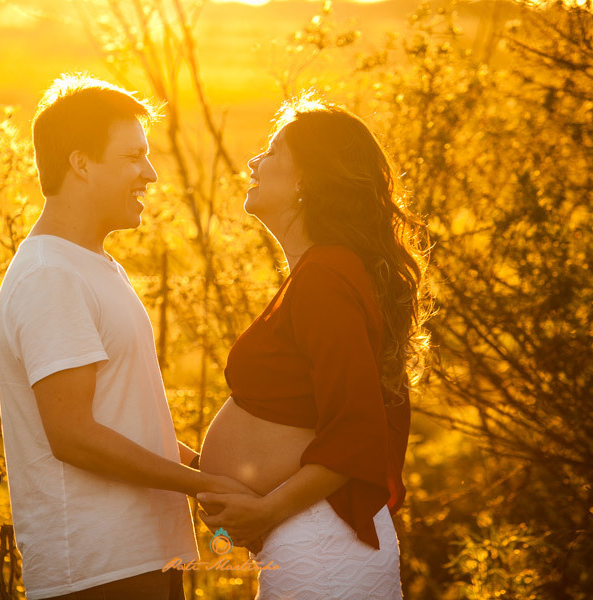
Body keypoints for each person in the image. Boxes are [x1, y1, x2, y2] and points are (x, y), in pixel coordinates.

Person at [0, 73, 251, 600]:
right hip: (97, 573)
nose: (150, 174)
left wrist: (204, 468)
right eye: (133, 157)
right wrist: (201, 485)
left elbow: (117, 416)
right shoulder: (51, 275)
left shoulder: (92, 266)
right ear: (81, 163)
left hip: (140, 560)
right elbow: (73, 434)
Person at [195, 94, 430, 599]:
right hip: (309, 540)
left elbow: (356, 427)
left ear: (305, 180)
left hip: (322, 546)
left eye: (273, 152)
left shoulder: (325, 275)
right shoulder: (322, 272)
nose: (255, 162)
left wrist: (265, 509)